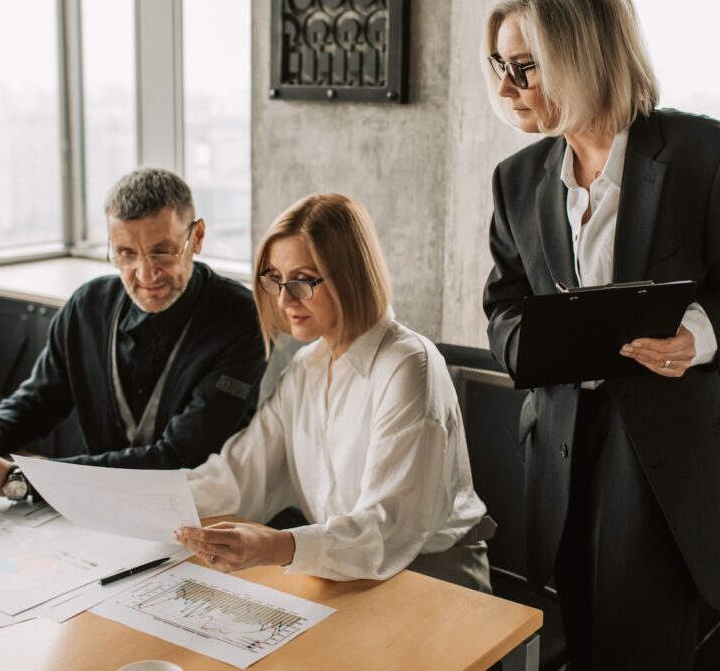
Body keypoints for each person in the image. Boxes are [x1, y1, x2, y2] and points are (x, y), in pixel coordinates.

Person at [481, 0, 720, 669]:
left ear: (582, 55)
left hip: (661, 460)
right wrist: (532, 347)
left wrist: (695, 339)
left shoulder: (704, 155)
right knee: (583, 643)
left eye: (524, 67)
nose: (506, 89)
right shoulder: (519, 178)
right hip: (559, 449)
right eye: (500, 66)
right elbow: (502, 302)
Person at [175, 193, 493, 592]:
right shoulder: (306, 367)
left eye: (303, 280)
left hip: (433, 582)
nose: (285, 299)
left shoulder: (409, 366)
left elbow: (384, 528)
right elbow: (239, 475)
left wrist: (277, 546)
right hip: (345, 577)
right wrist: (154, 503)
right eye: (275, 278)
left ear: (351, 274)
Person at [0, 168, 265, 501]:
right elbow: (35, 403)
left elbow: (180, 458)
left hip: (205, 517)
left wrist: (16, 479)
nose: (145, 274)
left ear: (197, 237)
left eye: (162, 252)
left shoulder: (242, 318)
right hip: (93, 508)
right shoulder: (88, 305)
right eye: (125, 254)